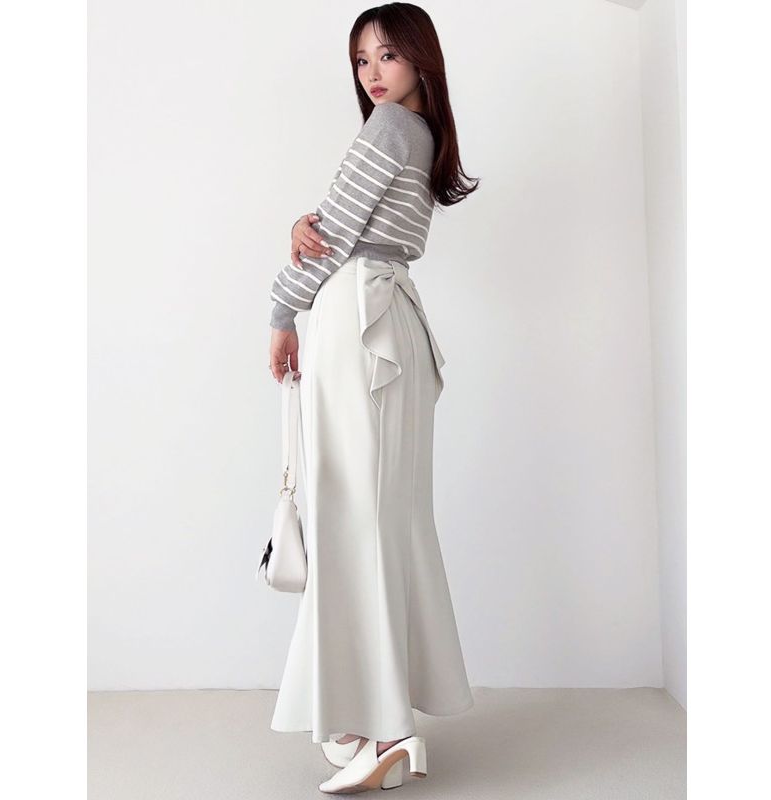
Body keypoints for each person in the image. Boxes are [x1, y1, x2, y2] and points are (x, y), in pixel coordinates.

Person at [267, 3, 480, 793]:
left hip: (360, 321)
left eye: (387, 54)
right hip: (389, 322)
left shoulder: (388, 129)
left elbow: (332, 238)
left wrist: (281, 313)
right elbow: (343, 227)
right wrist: (311, 224)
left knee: (356, 516)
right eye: (362, 60)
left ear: (421, 57)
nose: (373, 73)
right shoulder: (421, 135)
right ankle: (370, 718)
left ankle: (387, 730)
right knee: (383, 518)